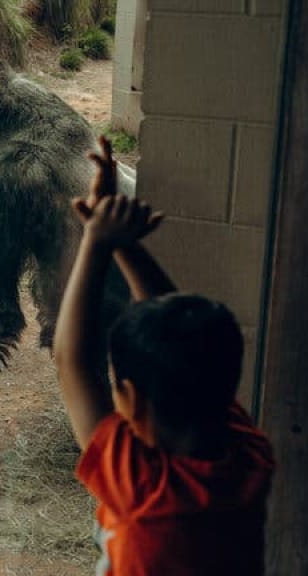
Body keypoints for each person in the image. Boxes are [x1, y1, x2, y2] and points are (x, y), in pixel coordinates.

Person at [53, 137, 275, 575]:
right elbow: (183, 338)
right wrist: (121, 243)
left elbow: (71, 361)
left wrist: (96, 239)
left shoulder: (144, 489)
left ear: (131, 399)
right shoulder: (247, 455)